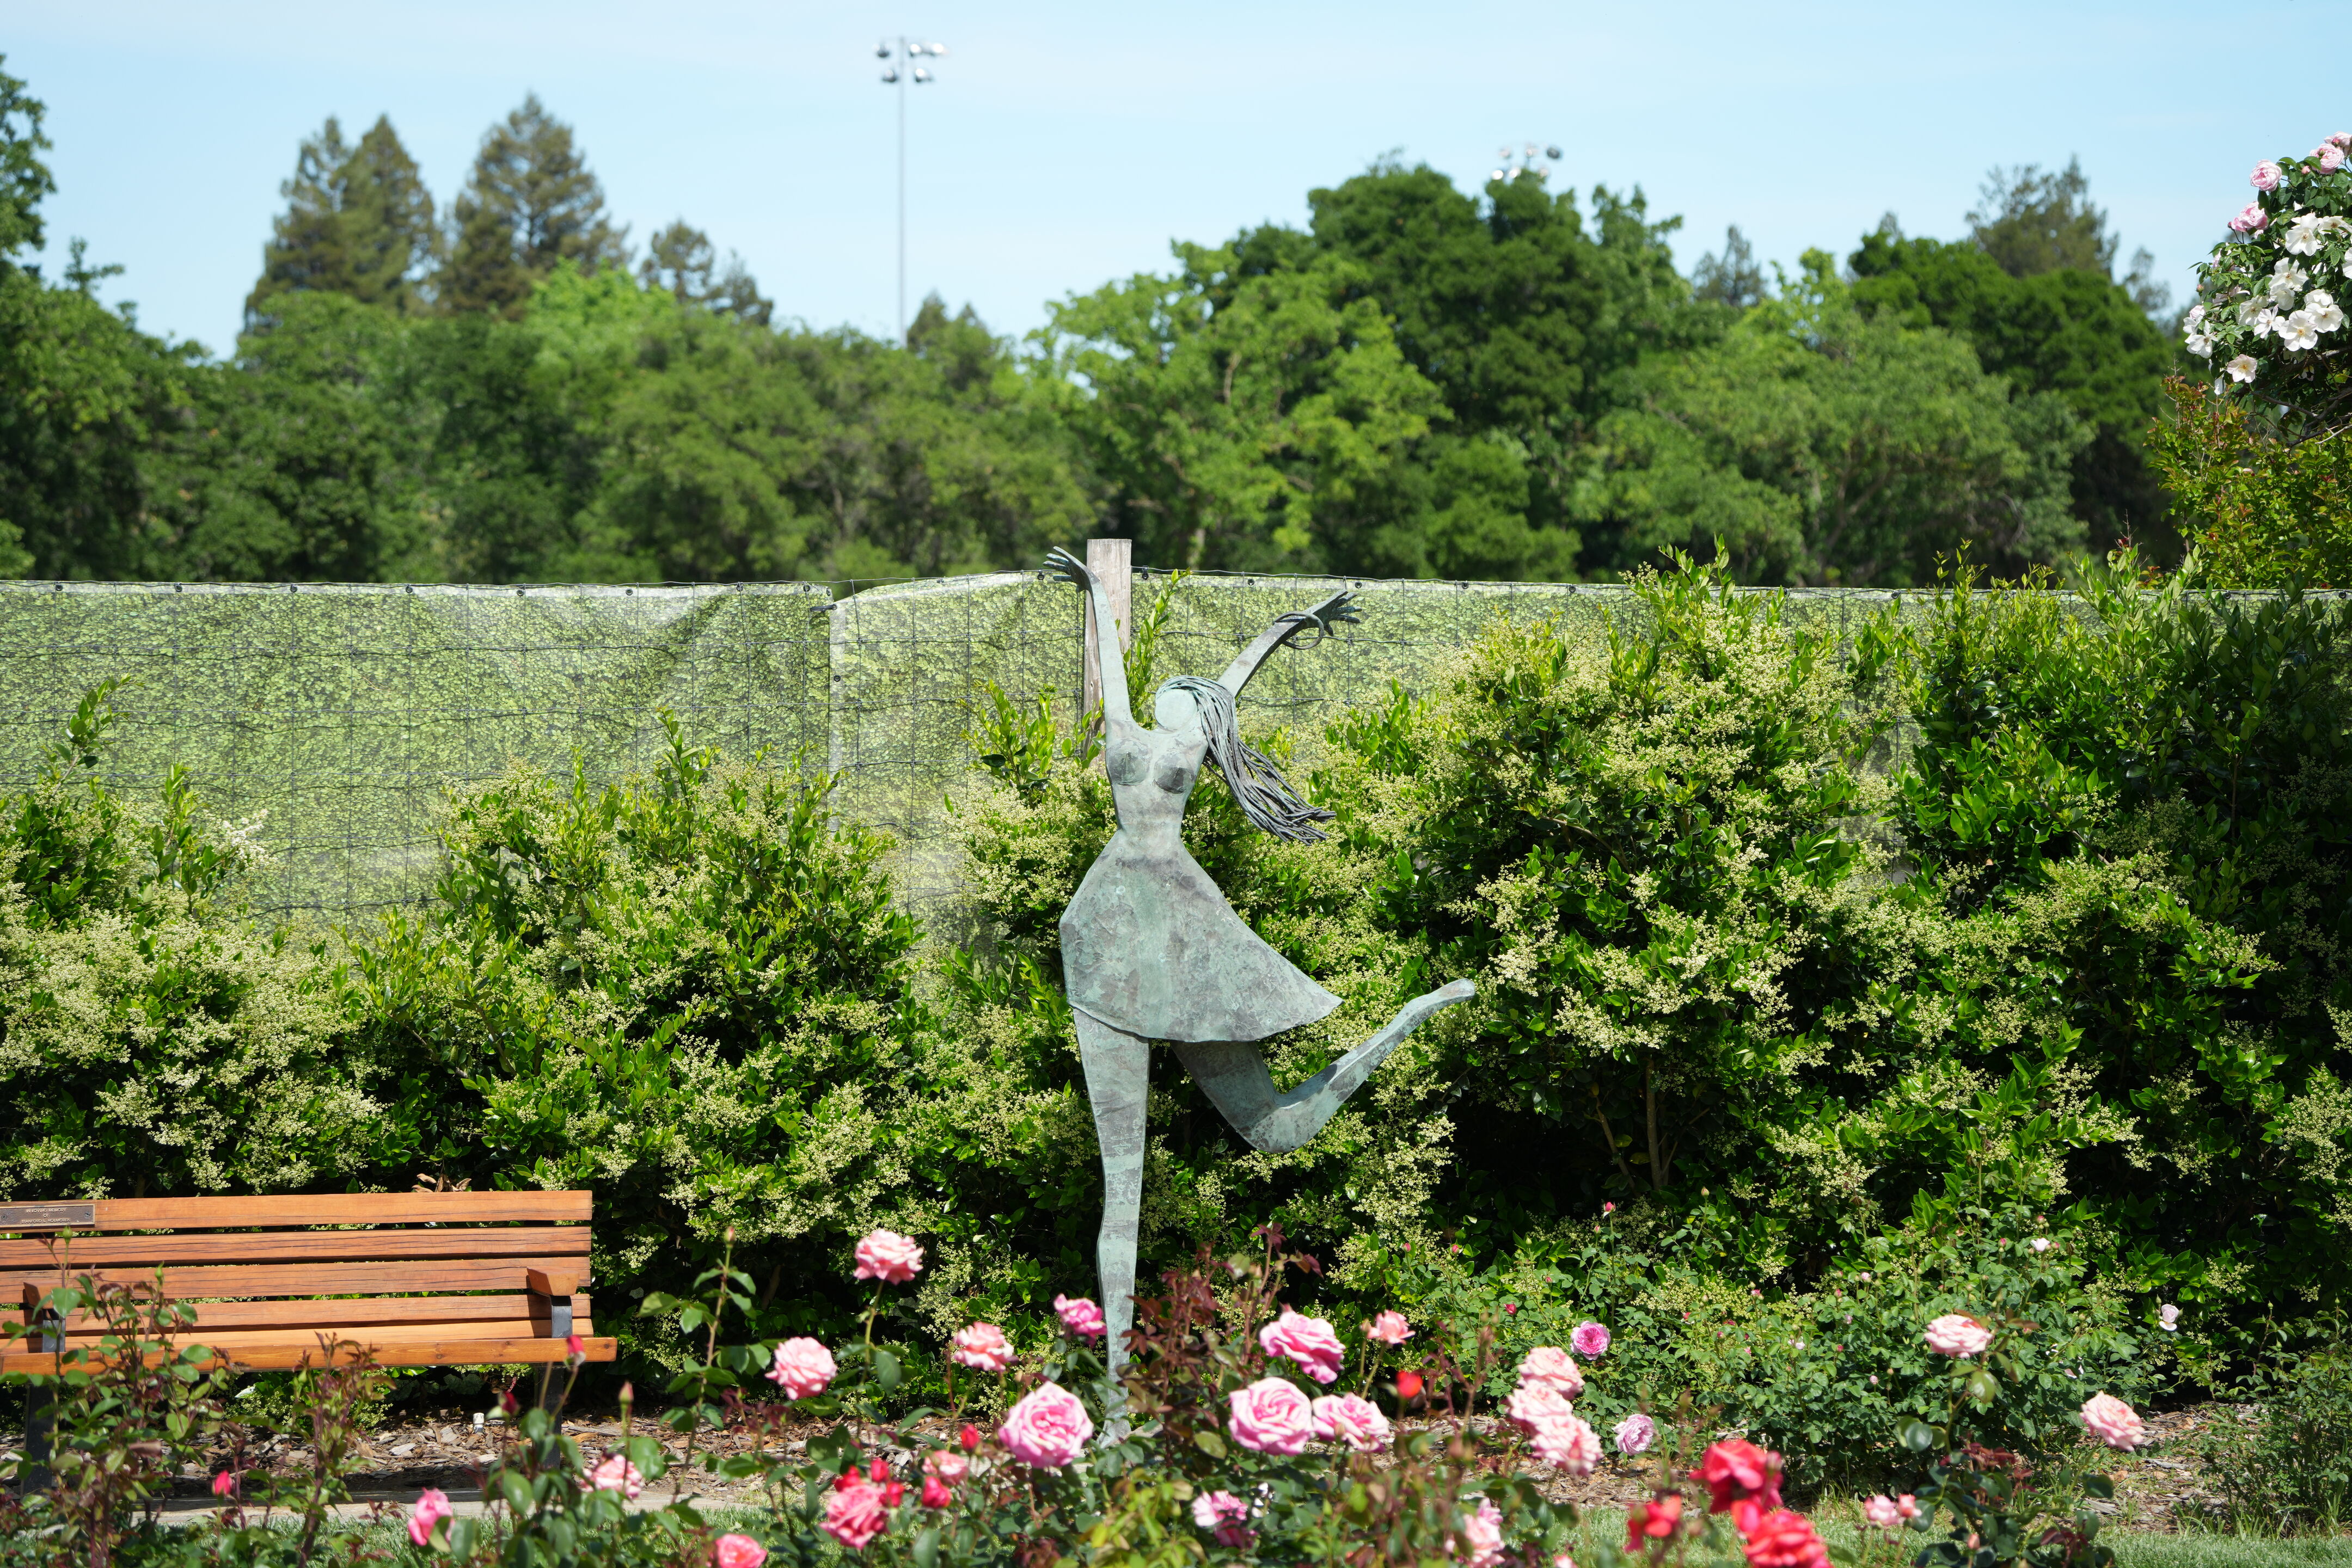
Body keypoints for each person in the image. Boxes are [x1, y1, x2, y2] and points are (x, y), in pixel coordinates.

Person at [1043, 546, 1474, 1376]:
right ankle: (1119, 1399)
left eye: (1195, 696)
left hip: (1185, 946)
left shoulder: (1193, 737)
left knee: (1273, 1130)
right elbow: (1116, 671)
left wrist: (1293, 626)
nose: (1183, 694)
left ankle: (1402, 1023)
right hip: (1108, 943)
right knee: (1121, 1189)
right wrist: (1095, 588)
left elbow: (1234, 677)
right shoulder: (1128, 730)